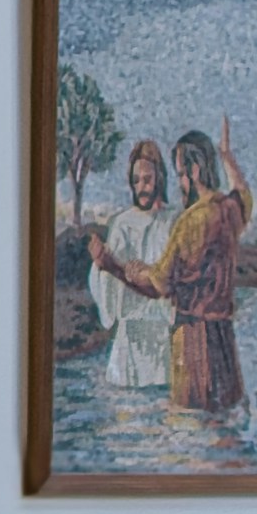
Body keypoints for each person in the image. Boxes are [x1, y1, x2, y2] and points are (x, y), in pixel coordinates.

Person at [95, 121, 255, 418]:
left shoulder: (190, 222)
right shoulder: (229, 210)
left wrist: (113, 267)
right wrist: (227, 155)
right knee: (225, 420)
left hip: (194, 340)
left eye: (181, 173)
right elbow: (243, 192)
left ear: (194, 171)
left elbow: (159, 285)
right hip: (224, 339)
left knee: (189, 421)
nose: (180, 182)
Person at [87, 138, 177, 389]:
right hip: (128, 342)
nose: (141, 187)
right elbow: (108, 280)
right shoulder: (122, 223)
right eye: (136, 181)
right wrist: (101, 265)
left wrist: (133, 273)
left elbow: (169, 282)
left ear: (159, 178)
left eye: (147, 180)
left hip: (162, 337)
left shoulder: (174, 221)